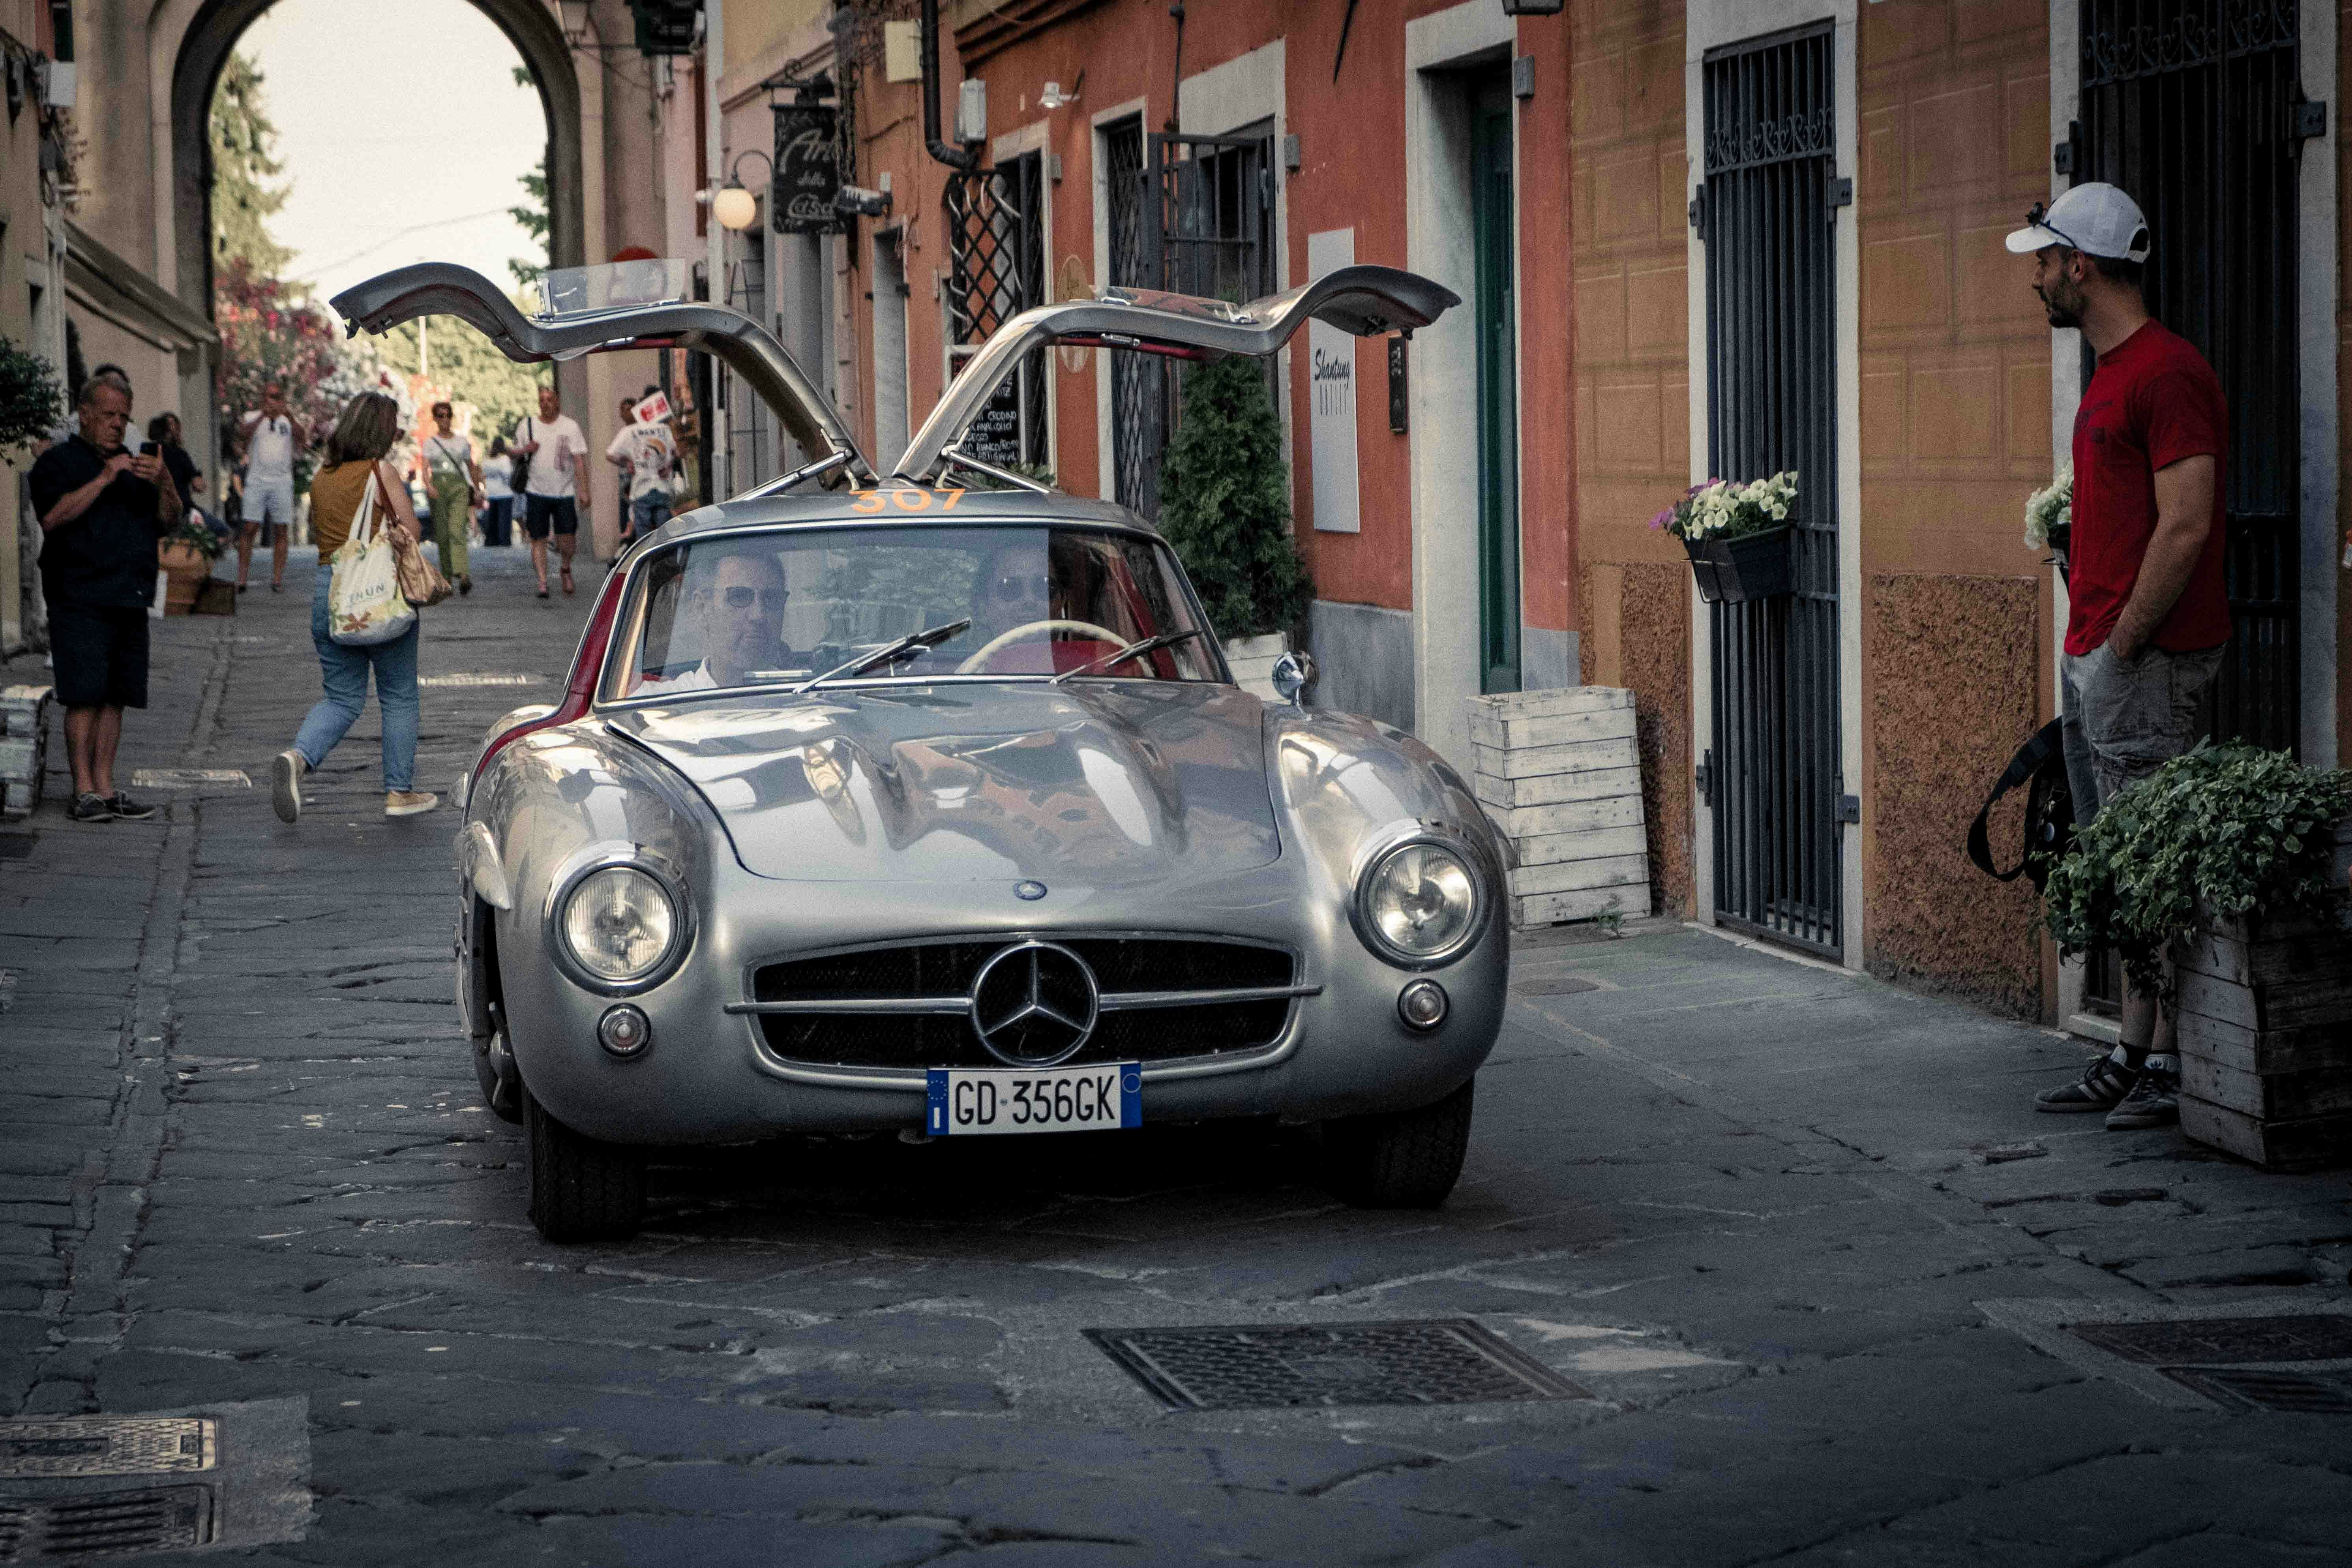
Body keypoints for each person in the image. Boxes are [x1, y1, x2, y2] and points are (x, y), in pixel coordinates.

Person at [2009, 182, 2230, 1133]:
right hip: (2102, 654)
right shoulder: (2112, 372)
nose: (2036, 278)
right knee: (2124, 864)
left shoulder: (2166, 373)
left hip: (2142, 661)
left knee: (2154, 865)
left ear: (2081, 266)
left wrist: (2123, 641)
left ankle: (2167, 1062)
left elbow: (2186, 524)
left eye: (2044, 261)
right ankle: (2132, 1052)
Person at [270, 391, 437, 823]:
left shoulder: (323, 477)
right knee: (398, 695)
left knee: (342, 698)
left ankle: (299, 756)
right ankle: (399, 791)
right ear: (381, 431)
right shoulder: (381, 473)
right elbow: (411, 530)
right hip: (378, 594)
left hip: (330, 591)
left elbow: (323, 532)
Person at [27, 373, 182, 823]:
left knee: (117, 695)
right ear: (85, 414)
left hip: (129, 595)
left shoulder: (137, 467)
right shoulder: (57, 463)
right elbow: (52, 517)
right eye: (109, 415)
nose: (117, 425)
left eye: (124, 417)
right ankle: (83, 791)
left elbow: (169, 522)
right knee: (84, 695)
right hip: (78, 595)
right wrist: (104, 478)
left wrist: (165, 481)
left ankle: (106, 787)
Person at [643, 548, 795, 691]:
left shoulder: (802, 695)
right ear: (702, 608)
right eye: (739, 597)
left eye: (772, 599)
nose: (759, 615)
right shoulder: (655, 703)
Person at [512, 384, 590, 598]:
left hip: (564, 492)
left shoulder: (570, 427)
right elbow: (515, 453)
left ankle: (565, 568)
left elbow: (579, 460)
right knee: (538, 538)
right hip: (536, 491)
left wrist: (584, 490)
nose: (546, 404)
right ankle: (543, 581)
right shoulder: (527, 425)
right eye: (542, 400)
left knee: (568, 540)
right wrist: (525, 450)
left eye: (550, 400)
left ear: (558, 402)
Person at [236, 383, 306, 594]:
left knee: (281, 529)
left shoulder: (288, 420)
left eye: (276, 397)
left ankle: (277, 580)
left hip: (282, 481)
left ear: (282, 399)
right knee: (249, 527)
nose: (272, 400)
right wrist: (263, 417)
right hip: (256, 480)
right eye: (268, 396)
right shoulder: (252, 417)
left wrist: (289, 416)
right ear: (262, 398)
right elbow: (243, 434)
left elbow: (302, 438)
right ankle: (242, 579)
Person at [416, 401, 480, 596]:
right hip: (438, 486)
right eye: (440, 416)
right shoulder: (430, 443)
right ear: (435, 419)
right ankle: (447, 579)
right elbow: (425, 468)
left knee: (456, 529)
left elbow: (471, 467)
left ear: (452, 417)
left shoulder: (462, 442)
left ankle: (463, 574)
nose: (445, 420)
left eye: (448, 415)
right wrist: (429, 487)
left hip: (458, 486)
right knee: (443, 534)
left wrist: (477, 489)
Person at [605, 389, 678, 547]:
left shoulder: (629, 431)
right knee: (664, 535)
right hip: (663, 487)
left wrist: (627, 463)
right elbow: (675, 451)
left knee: (643, 536)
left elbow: (610, 455)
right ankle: (665, 560)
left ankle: (646, 560)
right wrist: (668, 465)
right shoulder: (665, 429)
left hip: (641, 488)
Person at [480, 436, 515, 547]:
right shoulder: (505, 459)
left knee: (492, 518)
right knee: (504, 519)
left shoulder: (486, 460)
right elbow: (508, 474)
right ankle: (504, 540)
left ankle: (491, 540)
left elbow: (483, 475)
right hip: (505, 493)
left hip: (492, 492)